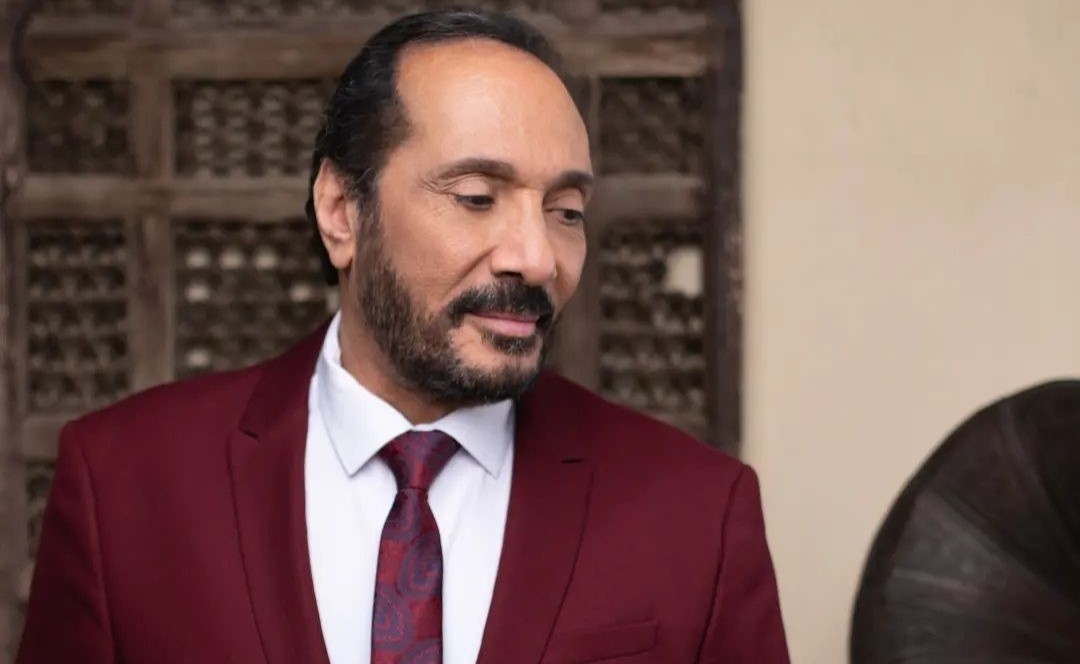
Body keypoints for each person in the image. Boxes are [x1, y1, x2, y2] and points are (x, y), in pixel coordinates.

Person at [17, 8, 789, 664]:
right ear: (340, 212)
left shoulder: (696, 511)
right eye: (478, 197)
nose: (537, 258)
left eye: (566, 212)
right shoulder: (123, 486)